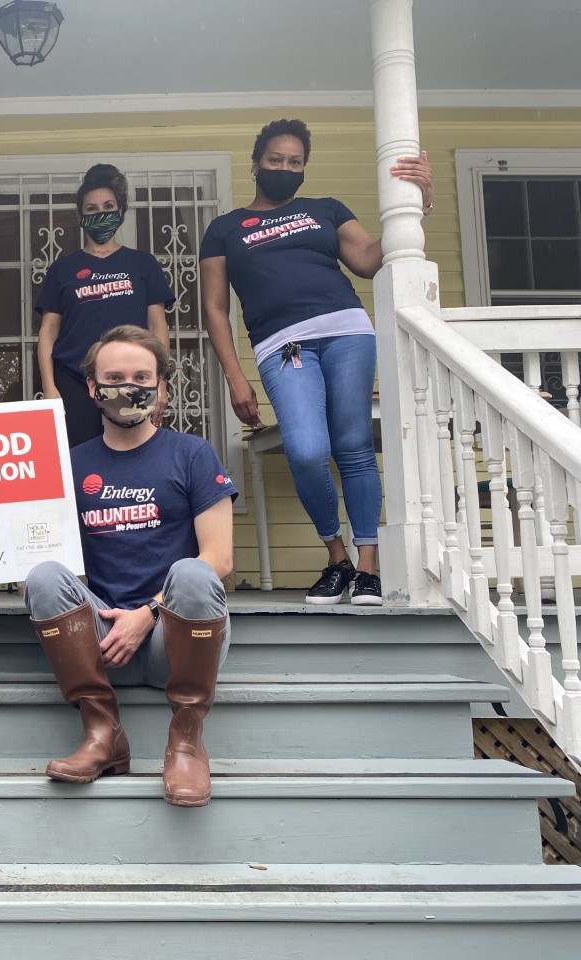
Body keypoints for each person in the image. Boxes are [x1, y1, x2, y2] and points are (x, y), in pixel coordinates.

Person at [200, 118, 432, 606]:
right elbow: (216, 308)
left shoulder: (325, 210)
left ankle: (366, 566)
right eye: (275, 160)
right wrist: (234, 376)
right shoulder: (224, 229)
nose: (285, 169)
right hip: (281, 345)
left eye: (295, 162)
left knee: (352, 448)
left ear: (304, 168)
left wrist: (418, 203)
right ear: (256, 163)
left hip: (347, 331)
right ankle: (337, 557)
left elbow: (369, 259)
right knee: (307, 449)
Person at [24, 325, 236, 807]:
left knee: (194, 573)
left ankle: (186, 740)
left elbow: (219, 558)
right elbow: (29, 546)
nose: (129, 387)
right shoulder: (69, 465)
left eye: (142, 376)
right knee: (42, 575)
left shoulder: (192, 454)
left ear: (162, 387)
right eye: (114, 377)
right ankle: (102, 731)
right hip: (102, 643)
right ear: (93, 389)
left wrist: (148, 613)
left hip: (174, 640)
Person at [36, 164, 175, 448]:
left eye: (108, 206)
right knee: (80, 458)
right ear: (80, 216)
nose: (101, 214)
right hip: (74, 381)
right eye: (92, 208)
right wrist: (49, 387)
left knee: (135, 453)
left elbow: (158, 326)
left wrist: (160, 380)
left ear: (121, 212)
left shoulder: (143, 264)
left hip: (133, 378)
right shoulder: (62, 269)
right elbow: (48, 333)